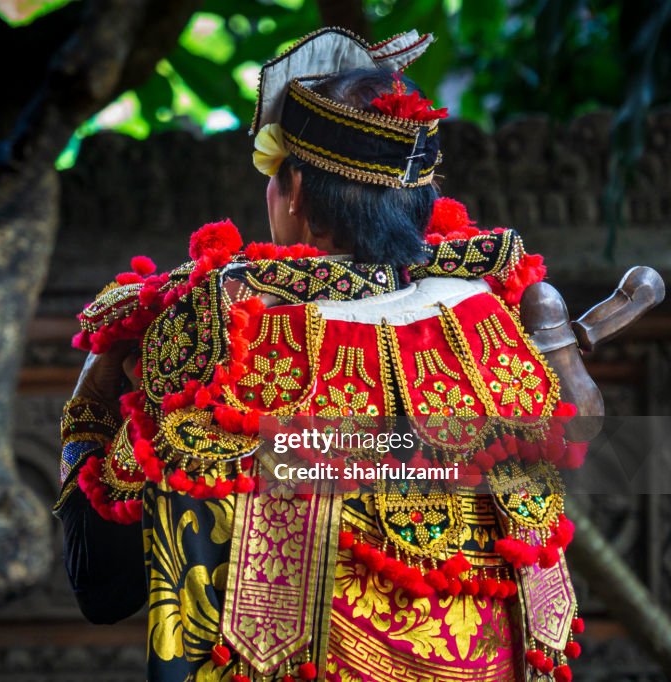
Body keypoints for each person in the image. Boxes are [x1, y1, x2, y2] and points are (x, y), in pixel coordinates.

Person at [56, 28, 584, 682]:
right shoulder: (499, 328)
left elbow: (101, 586)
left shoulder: (221, 344)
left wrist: (94, 395)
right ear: (418, 200)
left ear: (297, 191)